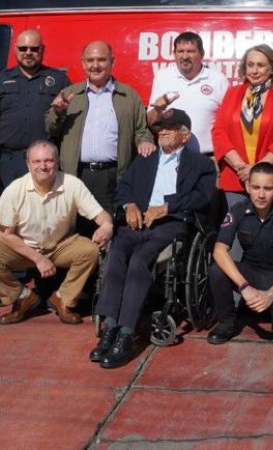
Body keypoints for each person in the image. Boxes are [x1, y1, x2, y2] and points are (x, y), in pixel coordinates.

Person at [91, 109, 216, 368]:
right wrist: (129, 206)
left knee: (140, 260)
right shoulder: (146, 159)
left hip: (170, 224)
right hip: (138, 220)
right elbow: (123, 187)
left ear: (186, 135)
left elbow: (201, 198)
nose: (163, 131)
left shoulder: (201, 165)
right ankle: (110, 328)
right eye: (161, 127)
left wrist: (167, 207)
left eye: (171, 127)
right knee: (116, 254)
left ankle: (126, 334)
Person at [0, 141, 112, 326]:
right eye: (37, 161)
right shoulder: (14, 190)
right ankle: (23, 297)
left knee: (90, 251)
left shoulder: (72, 184)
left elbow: (101, 215)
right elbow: (5, 235)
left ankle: (63, 299)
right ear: (28, 164)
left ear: (57, 162)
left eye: (48, 161)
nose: (43, 166)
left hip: (60, 245)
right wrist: (38, 259)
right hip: (24, 247)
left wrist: (107, 226)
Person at [45, 40, 155, 213]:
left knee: (108, 229)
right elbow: (51, 130)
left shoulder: (129, 95)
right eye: (90, 60)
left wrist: (145, 141)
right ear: (83, 63)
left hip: (112, 176)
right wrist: (58, 113)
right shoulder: (69, 94)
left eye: (102, 60)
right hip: (76, 175)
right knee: (77, 231)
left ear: (112, 62)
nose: (95, 65)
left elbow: (142, 130)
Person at [207, 162, 273, 344]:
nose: (261, 194)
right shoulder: (238, 211)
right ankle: (226, 323)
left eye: (267, 188)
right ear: (247, 187)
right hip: (251, 274)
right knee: (216, 269)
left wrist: (272, 294)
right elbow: (219, 250)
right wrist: (245, 287)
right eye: (256, 187)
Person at [0, 29, 71, 192]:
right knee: (13, 214)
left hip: (45, 163)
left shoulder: (58, 80)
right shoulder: (1, 80)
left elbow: (70, 125)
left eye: (34, 49)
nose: (28, 53)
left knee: (46, 212)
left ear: (43, 50)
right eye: (23, 48)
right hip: (10, 162)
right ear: (15, 49)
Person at [212, 44, 273, 202]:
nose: (255, 70)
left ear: (271, 69)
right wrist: (241, 167)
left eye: (261, 65)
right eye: (250, 65)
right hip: (237, 177)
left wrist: (258, 170)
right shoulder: (232, 93)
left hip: (271, 178)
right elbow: (219, 132)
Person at [147, 31, 229, 156]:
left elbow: (229, 124)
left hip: (208, 158)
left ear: (202, 54)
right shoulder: (162, 77)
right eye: (180, 51)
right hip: (172, 158)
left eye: (190, 51)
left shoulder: (218, 80)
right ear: (174, 54)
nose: (185, 56)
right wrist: (158, 109)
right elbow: (151, 122)